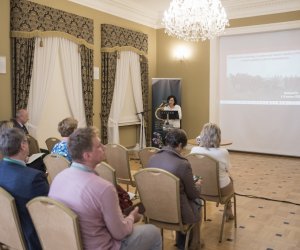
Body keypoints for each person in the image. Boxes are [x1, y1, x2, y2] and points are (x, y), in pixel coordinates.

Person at [48, 127, 162, 250]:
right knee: (153, 232)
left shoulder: (58, 178)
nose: (104, 147)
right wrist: (131, 217)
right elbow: (120, 233)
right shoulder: (104, 188)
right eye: (98, 146)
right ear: (87, 155)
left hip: (69, 244)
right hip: (101, 246)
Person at [147, 128, 202, 250]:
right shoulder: (183, 164)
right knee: (198, 202)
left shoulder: (152, 159)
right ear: (181, 145)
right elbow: (193, 194)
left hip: (154, 210)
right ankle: (192, 244)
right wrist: (197, 185)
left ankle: (181, 241)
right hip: (176, 214)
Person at [0, 128, 49, 250]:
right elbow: (49, 215)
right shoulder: (34, 178)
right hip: (31, 240)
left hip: (5, 234)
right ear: (22, 145)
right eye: (27, 141)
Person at [191, 122, 235, 219]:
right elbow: (227, 169)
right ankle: (228, 208)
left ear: (202, 135)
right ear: (218, 136)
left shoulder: (194, 150)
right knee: (230, 179)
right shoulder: (223, 152)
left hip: (199, 188)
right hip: (220, 191)